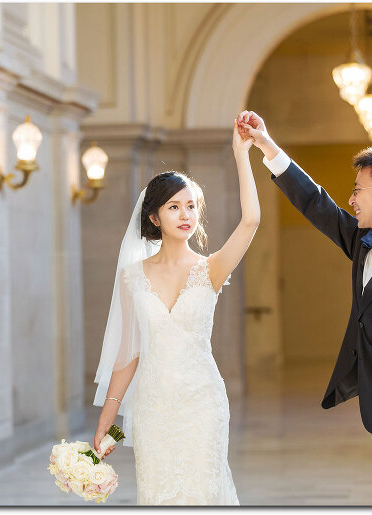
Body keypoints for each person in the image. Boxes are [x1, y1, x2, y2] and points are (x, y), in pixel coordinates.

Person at [238, 111, 372, 505]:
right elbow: (315, 203)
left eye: (358, 190)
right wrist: (266, 145)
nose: (351, 199)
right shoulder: (363, 241)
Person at [91, 117, 259, 505]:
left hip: (203, 403)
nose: (186, 215)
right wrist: (106, 424)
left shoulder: (211, 269)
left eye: (191, 207)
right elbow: (126, 356)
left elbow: (251, 220)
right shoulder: (132, 277)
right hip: (153, 407)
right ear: (154, 217)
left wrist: (240, 154)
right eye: (174, 207)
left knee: (205, 492)